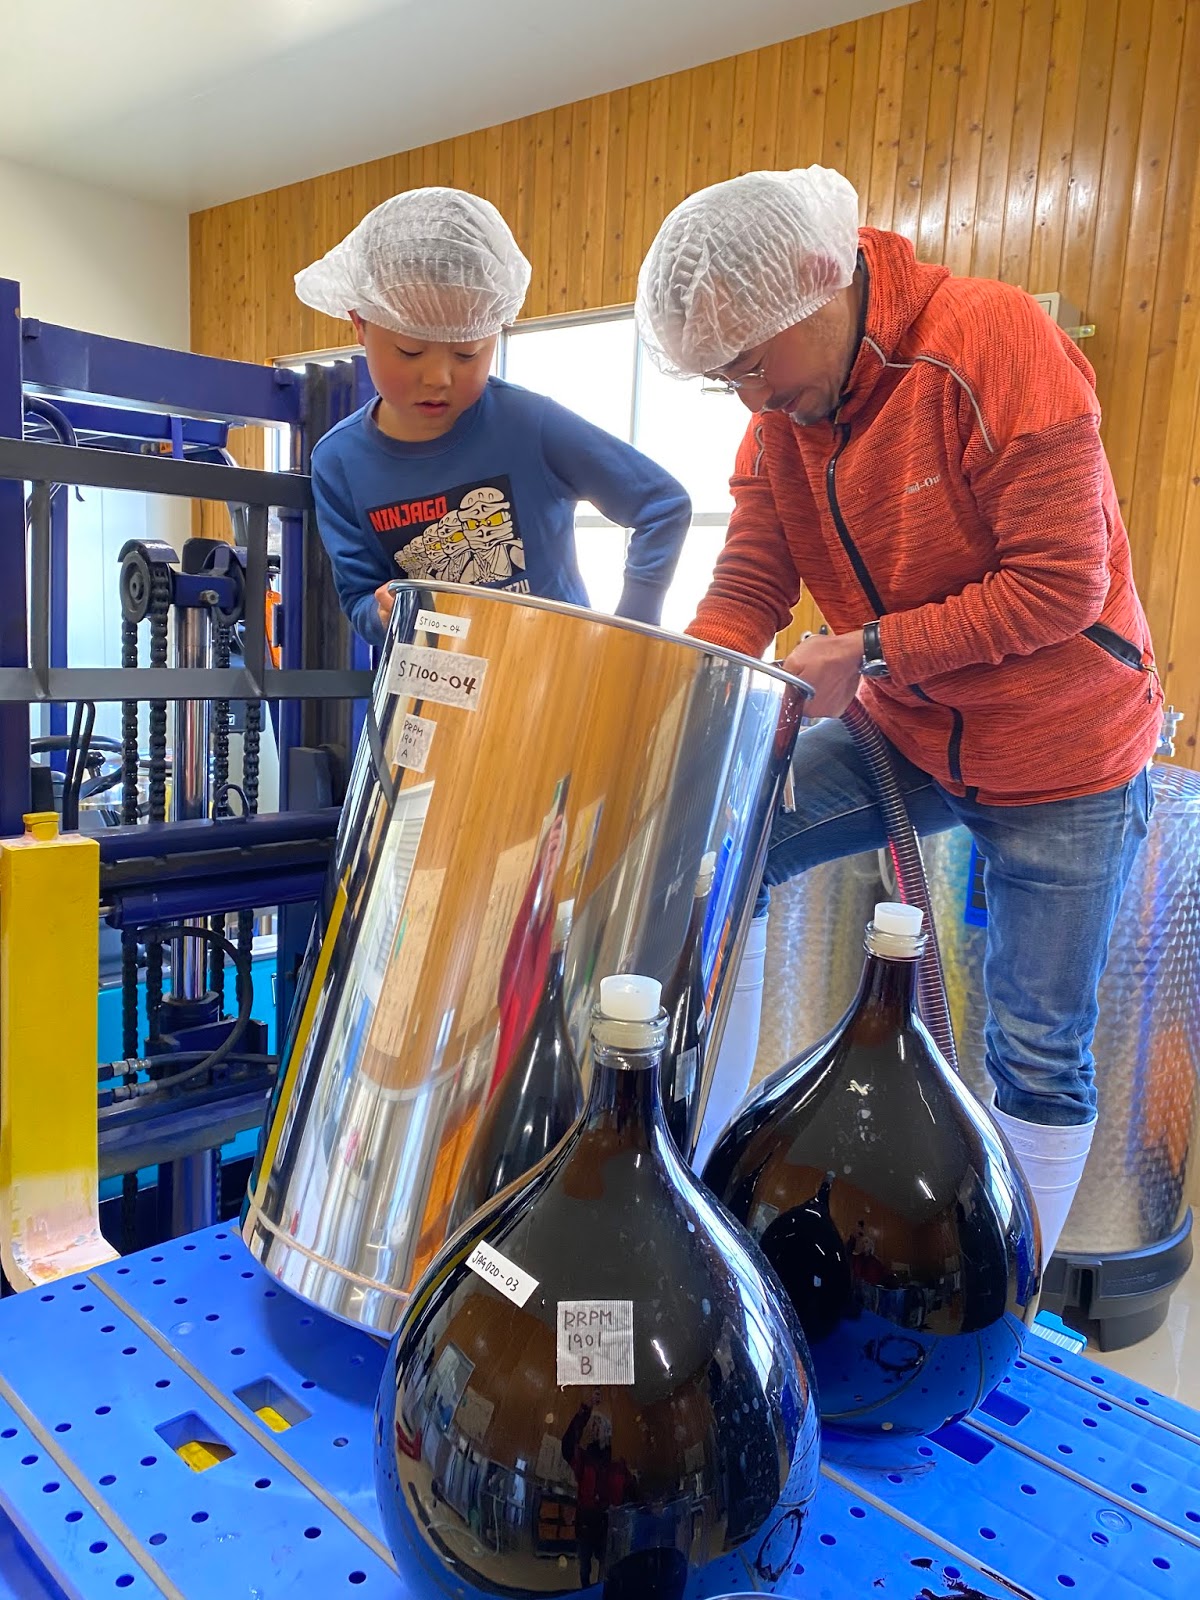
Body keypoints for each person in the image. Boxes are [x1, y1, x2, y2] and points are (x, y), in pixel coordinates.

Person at [636, 166, 1162, 1259]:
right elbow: (750, 585)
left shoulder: (989, 343)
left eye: (752, 362)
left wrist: (871, 650)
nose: (750, 397)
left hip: (1065, 750)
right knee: (731, 845)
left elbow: (1062, 582)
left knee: (1037, 1045)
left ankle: (1007, 1291)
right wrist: (693, 699)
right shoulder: (778, 425)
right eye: (723, 379)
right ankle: (684, 1191)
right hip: (913, 732)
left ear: (819, 280)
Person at [295, 187, 692, 646]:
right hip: (432, 682)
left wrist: (632, 632)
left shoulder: (528, 425)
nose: (438, 377)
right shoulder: (339, 460)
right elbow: (358, 595)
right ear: (360, 324)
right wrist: (381, 613)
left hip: (549, 675)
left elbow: (662, 506)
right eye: (410, 350)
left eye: (467, 353)